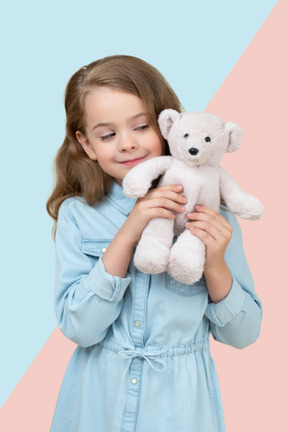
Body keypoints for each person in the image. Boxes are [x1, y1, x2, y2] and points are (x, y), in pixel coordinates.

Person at [46, 55, 262, 432]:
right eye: (108, 134)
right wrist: (130, 231)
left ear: (168, 126)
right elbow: (80, 327)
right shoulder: (79, 215)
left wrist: (214, 264)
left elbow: (243, 334)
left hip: (180, 410)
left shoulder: (214, 215)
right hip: (97, 406)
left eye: (141, 126)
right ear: (86, 144)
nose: (127, 144)